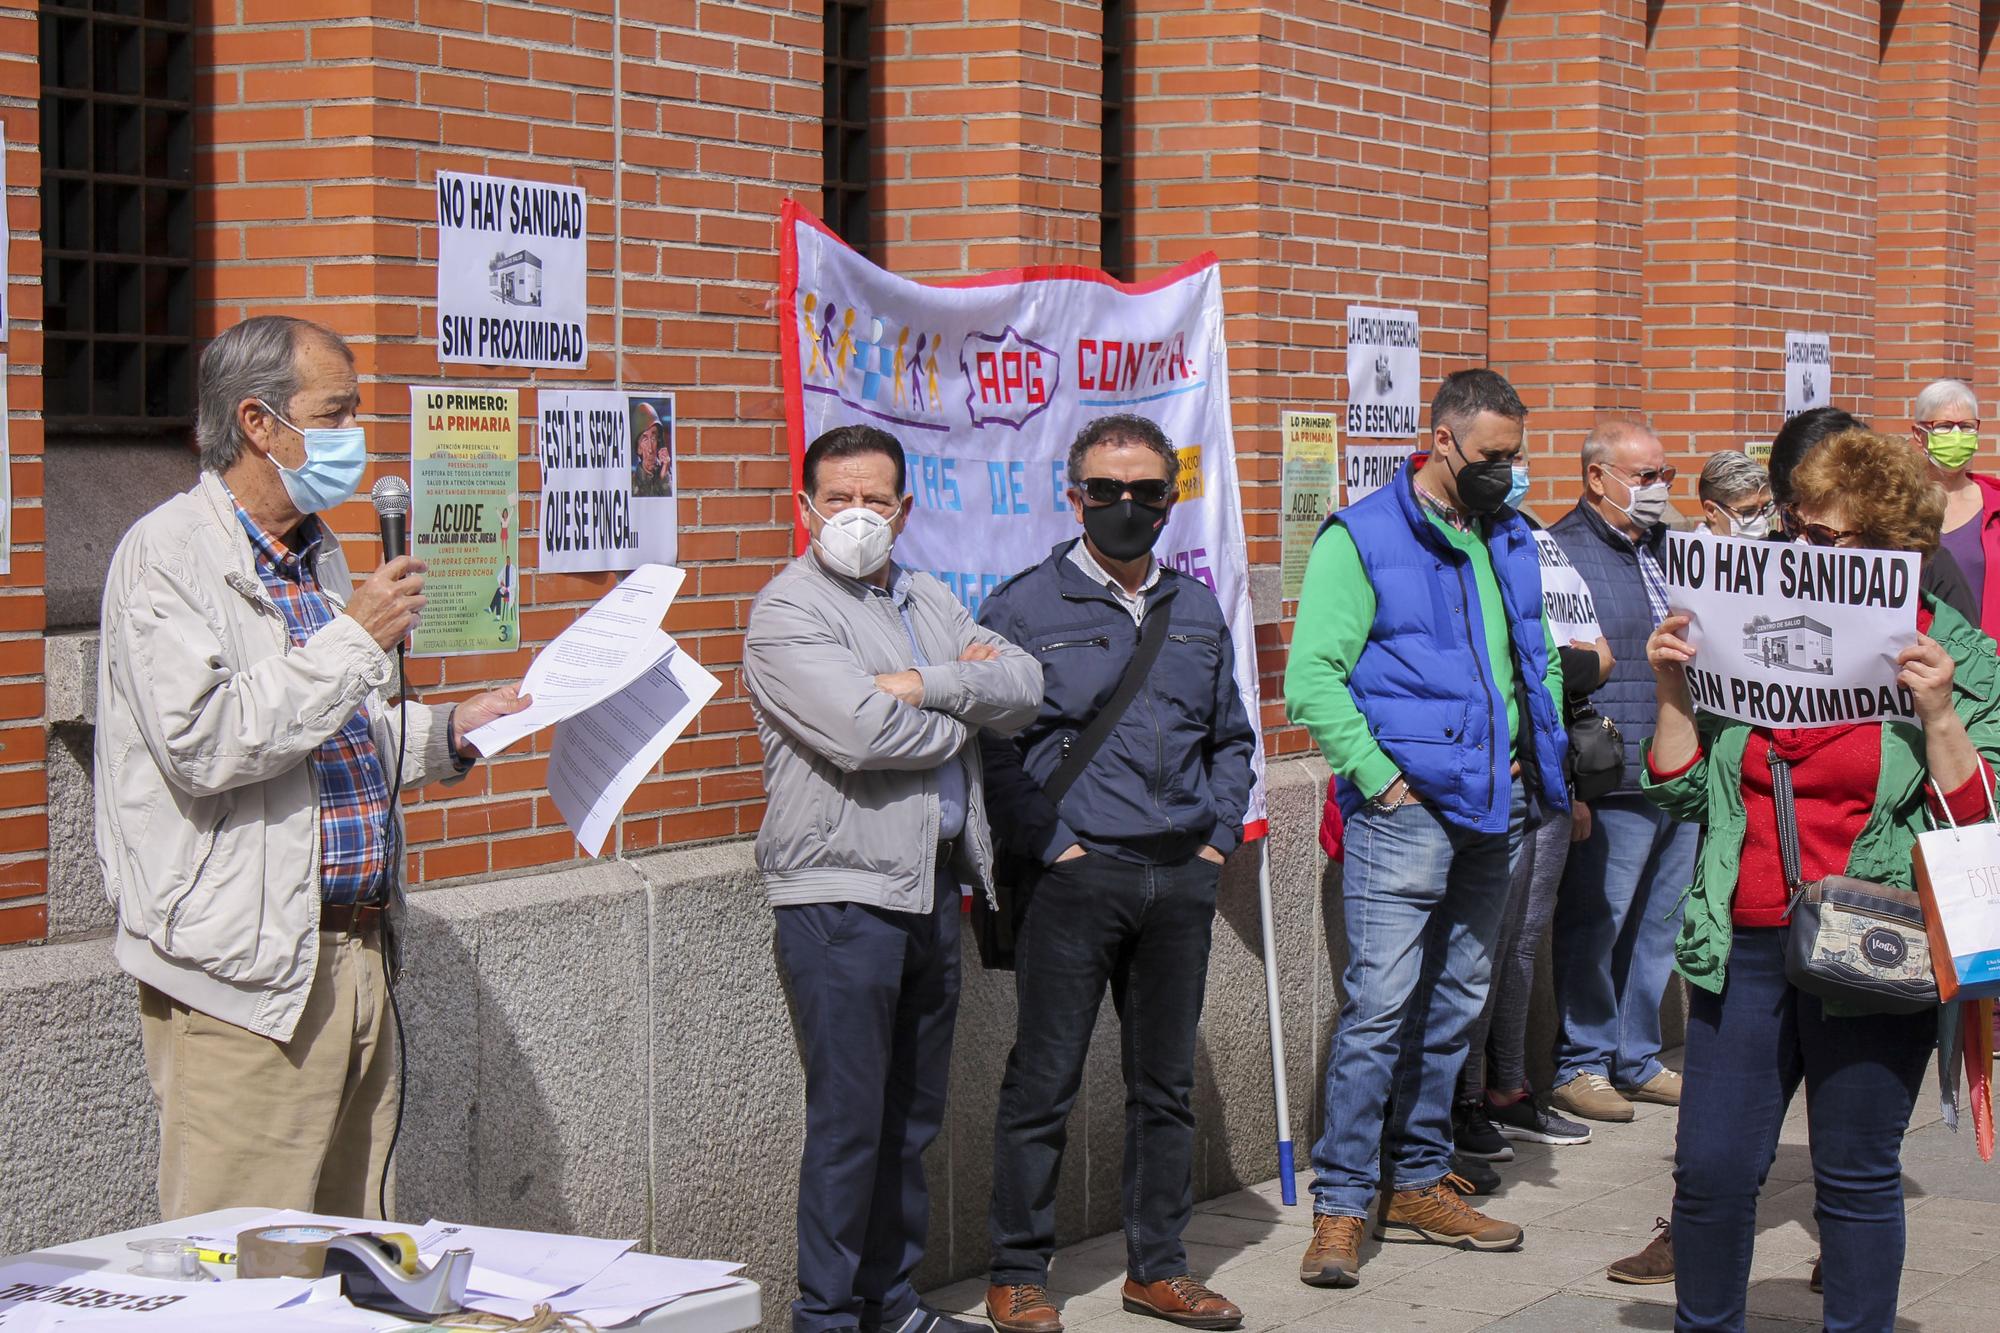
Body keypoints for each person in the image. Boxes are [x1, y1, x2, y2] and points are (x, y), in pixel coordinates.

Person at [95, 315, 530, 1219]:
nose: (355, 436)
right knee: (243, 1271)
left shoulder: (319, 554)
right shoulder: (167, 556)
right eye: (335, 412)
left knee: (349, 1260)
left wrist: (451, 732)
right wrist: (355, 639)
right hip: (246, 978)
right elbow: (208, 741)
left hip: (359, 952)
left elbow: (336, 741)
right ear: (259, 423)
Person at [1643, 427, 2000, 1331]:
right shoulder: (1742, 631)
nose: (1802, 552)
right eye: (1795, 530)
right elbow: (1684, 793)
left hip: (1877, 941)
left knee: (1855, 1173)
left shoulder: (1954, 651)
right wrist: (1674, 691)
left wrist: (1941, 713)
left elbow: (1982, 819)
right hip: (1746, 937)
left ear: (1891, 549)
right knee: (1714, 1170)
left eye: (1830, 541)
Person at [744, 425, 1042, 1333]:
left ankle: (891, 1303)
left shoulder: (920, 596)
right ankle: (828, 1316)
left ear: (905, 510)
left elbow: (1026, 683)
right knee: (849, 1124)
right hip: (839, 897)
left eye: (877, 500)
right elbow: (866, 735)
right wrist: (961, 706)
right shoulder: (787, 611)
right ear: (805, 509)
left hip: (927, 889)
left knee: (910, 1118)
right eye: (839, 499)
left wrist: (920, 680)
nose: (858, 517)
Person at [1286, 370, 1568, 1289]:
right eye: (1492, 457)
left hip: (1497, 805)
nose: (1507, 473)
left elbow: (1532, 658)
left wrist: (1535, 749)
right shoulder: (1361, 536)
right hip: (1406, 811)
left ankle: (1414, 1180)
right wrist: (1381, 780)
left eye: (1515, 457)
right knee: (1380, 1007)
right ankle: (1340, 1202)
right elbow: (1313, 679)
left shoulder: (1509, 535)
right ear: (1440, 440)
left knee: (1456, 1004)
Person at [979, 414, 1257, 1333]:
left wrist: (1216, 836)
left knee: (1164, 1086)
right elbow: (995, 750)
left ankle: (1160, 1268)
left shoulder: (1198, 606)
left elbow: (1231, 737)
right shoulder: (1024, 607)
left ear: (1169, 500)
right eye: (1106, 490)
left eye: (1145, 492)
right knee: (1043, 1081)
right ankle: (1018, 1272)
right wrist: (1053, 844)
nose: (1125, 506)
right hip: (1076, 878)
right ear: (1076, 496)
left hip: (1179, 877)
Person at [1544, 420, 1697, 1122]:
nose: (1657, 489)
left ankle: (1637, 1054)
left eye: (1664, 475)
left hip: (1681, 767)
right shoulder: (1562, 551)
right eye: (1643, 477)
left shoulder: (1672, 547)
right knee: (1596, 924)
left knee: (1658, 925)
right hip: (1615, 770)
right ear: (1597, 477)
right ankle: (1582, 1060)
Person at [1450, 508, 1610, 1165]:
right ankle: (1461, 1101)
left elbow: (1580, 662)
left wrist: (1561, 781)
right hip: (1488, 783)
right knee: (1479, 953)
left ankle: (1508, 1085)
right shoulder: (1452, 561)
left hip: (1545, 776)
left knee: (1521, 943)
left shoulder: (1532, 546)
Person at [1907, 378, 1999, 630]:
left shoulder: (1995, 506)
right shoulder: (1898, 505)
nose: (1957, 436)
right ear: (1919, 434)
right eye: (1945, 427)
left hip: (1986, 658)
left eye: (1967, 427)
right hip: (1916, 657)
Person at [1696, 453, 1773, 538]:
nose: (1761, 519)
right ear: (1711, 511)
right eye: (1748, 512)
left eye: (1766, 508)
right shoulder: (1688, 550)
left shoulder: (1775, 547)